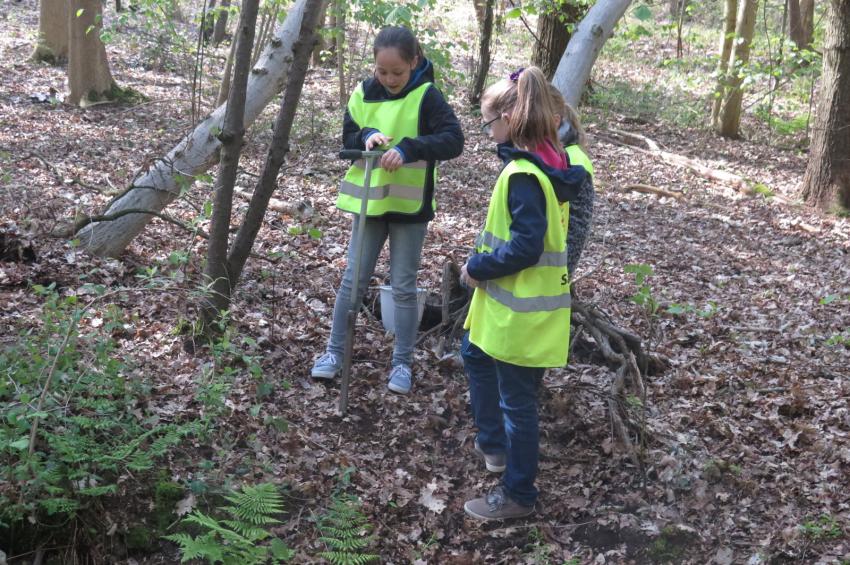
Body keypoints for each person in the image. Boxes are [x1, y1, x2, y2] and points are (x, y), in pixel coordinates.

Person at [460, 66, 587, 520]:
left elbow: (527, 247)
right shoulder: (550, 162)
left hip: (521, 314)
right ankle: (495, 449)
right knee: (474, 356)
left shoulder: (522, 173)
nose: (488, 132)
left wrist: (478, 266)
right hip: (516, 310)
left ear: (511, 119)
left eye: (489, 123)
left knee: (519, 405)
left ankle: (518, 494)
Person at [310, 26, 464, 395]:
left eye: (398, 72)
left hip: (409, 208)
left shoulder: (427, 95)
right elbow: (347, 139)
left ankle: (402, 363)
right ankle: (333, 353)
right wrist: (366, 137)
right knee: (354, 280)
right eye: (383, 71)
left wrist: (411, 148)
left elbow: (453, 140)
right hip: (369, 203)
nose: (390, 79)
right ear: (374, 65)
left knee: (404, 286)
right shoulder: (362, 93)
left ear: (414, 62)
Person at [547, 84, 595, 275]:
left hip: (555, 262)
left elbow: (576, 227)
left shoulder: (571, 160)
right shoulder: (560, 152)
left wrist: (563, 271)